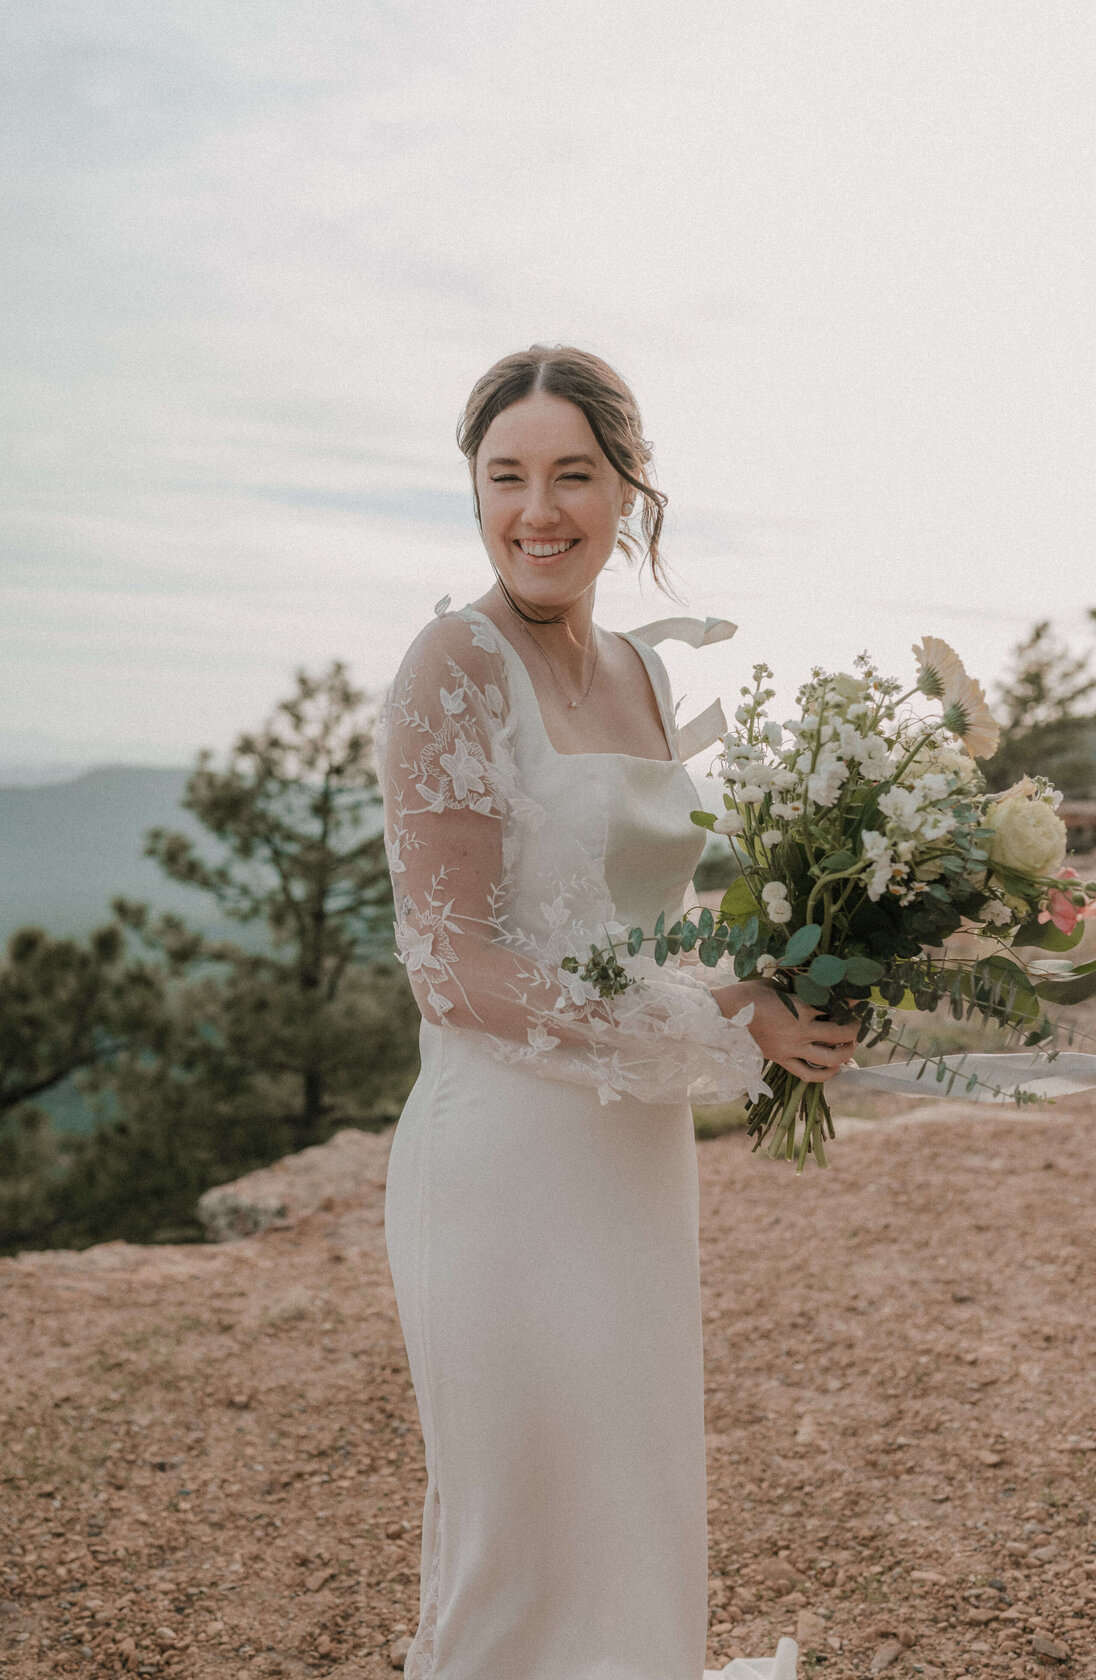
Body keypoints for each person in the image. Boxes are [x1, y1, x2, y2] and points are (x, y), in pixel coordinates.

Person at [376, 345, 857, 1680]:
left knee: (629, 1504)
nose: (539, 510)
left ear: (627, 492)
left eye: (572, 475)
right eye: (506, 477)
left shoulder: (646, 674)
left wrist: (775, 982)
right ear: (474, 495)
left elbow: (638, 927)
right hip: (500, 1161)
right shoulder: (452, 664)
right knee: (519, 1541)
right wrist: (715, 1029)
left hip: (629, 1158)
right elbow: (452, 964)